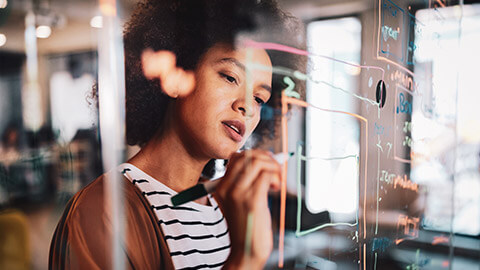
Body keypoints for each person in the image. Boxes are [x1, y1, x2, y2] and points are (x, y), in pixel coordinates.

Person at [49, 0, 304, 269]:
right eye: (230, 77)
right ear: (175, 77)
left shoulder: (227, 206)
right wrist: (246, 259)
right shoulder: (102, 212)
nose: (247, 107)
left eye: (259, 98)